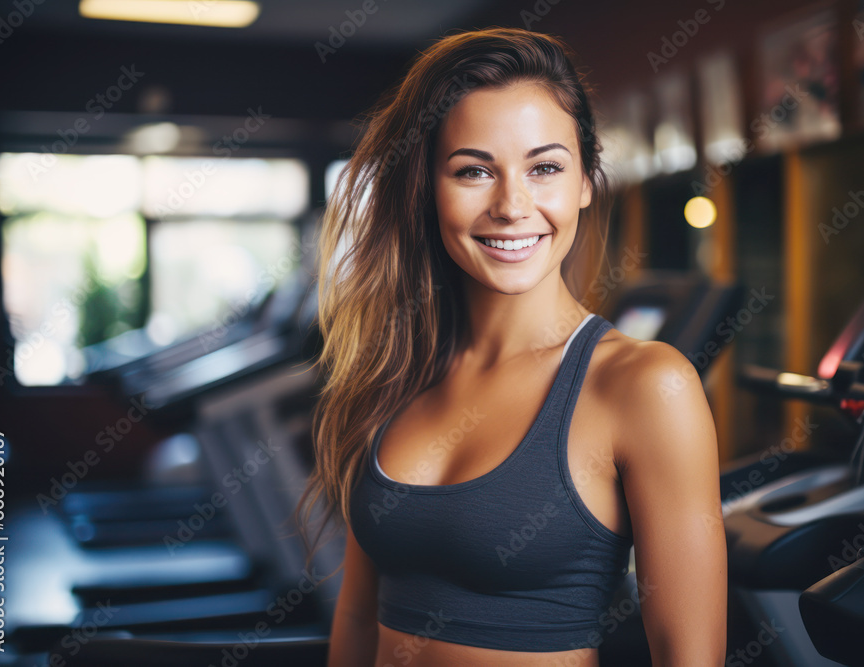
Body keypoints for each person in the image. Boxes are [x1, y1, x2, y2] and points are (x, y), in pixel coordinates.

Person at [297, 26, 726, 667]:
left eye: (545, 168)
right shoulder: (397, 368)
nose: (511, 205)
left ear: (585, 181)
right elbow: (358, 617)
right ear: (427, 188)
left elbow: (687, 658)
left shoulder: (644, 385)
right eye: (474, 171)